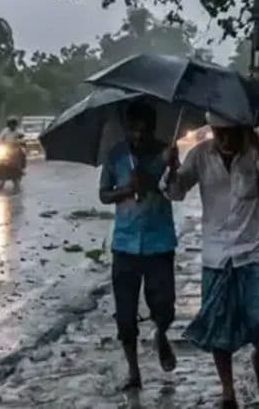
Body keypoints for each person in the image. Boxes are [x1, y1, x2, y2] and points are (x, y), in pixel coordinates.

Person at [164, 112, 259, 408]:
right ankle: (228, 391)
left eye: (232, 132)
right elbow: (176, 193)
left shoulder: (258, 150)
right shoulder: (201, 155)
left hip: (254, 250)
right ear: (213, 131)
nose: (226, 140)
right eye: (220, 133)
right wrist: (171, 170)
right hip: (217, 255)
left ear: (244, 129)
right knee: (220, 329)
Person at [99, 100, 177, 391]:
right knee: (126, 313)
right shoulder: (116, 156)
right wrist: (127, 189)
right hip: (125, 245)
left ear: (153, 129)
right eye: (134, 130)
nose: (139, 136)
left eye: (145, 131)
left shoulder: (165, 153)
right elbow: (104, 195)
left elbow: (175, 191)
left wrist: (168, 171)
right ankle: (134, 372)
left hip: (159, 242)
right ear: (126, 128)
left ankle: (161, 333)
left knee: (164, 305)